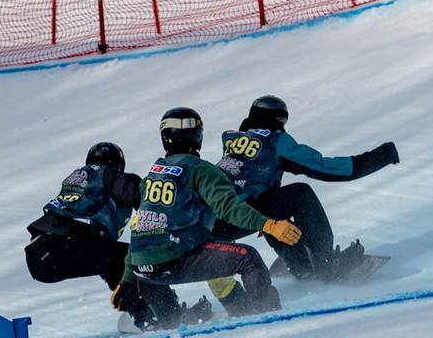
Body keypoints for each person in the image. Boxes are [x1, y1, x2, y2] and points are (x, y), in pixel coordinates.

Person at [116, 107, 302, 318]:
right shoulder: (201, 170)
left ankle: (172, 321)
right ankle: (271, 317)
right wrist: (269, 225)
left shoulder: (153, 174)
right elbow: (228, 207)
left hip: (144, 270)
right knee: (249, 259)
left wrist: (127, 280)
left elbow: (141, 227)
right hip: (175, 260)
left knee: (162, 268)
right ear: (197, 137)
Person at [214, 94, 398, 281]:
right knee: (300, 194)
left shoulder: (230, 139)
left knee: (272, 205)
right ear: (276, 118)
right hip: (244, 213)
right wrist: (382, 156)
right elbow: (326, 168)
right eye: (282, 119)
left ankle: (299, 263)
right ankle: (326, 262)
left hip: (217, 223)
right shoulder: (276, 140)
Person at [26, 142, 191, 330]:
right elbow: (145, 198)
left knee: (115, 259)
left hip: (39, 255)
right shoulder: (108, 175)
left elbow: (108, 263)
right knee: (138, 258)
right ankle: (165, 317)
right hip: (58, 244)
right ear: (118, 165)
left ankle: (148, 315)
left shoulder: (79, 179)